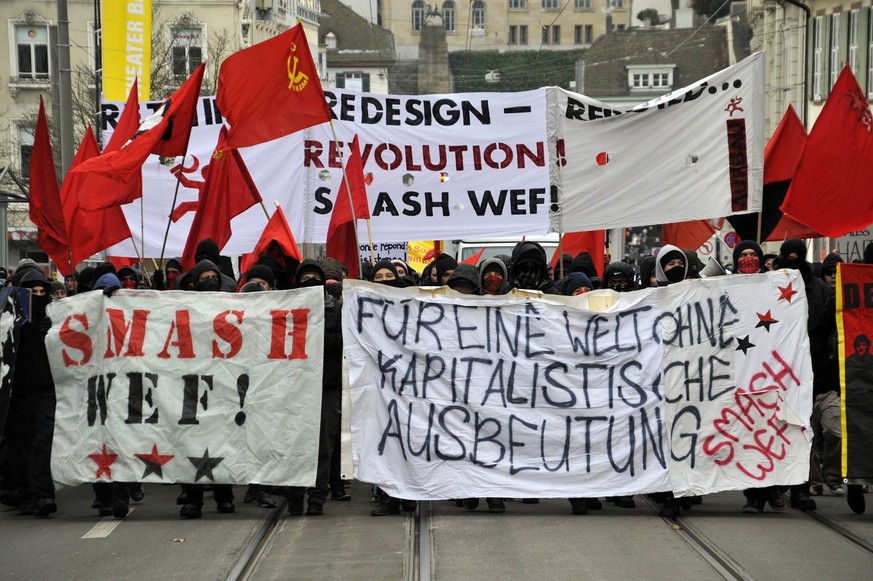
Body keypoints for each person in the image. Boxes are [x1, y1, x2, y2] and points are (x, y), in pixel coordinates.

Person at [775, 239, 833, 510]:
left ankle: (801, 487)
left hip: (809, 372)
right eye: (788, 257)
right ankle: (774, 485)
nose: (792, 260)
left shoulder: (819, 289)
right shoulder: (770, 285)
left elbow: (824, 328)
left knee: (802, 429)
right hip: (775, 371)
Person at [731, 241, 787, 514]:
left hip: (770, 370)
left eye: (753, 254)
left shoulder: (773, 286)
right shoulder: (727, 288)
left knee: (772, 431)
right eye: (743, 255)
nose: (749, 258)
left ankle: (774, 487)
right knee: (747, 435)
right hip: (741, 373)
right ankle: (754, 495)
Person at [286, 260, 344, 517]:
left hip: (326, 386)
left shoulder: (334, 310)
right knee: (294, 444)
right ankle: (295, 496)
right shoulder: (285, 308)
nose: (310, 280)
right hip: (293, 388)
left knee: (322, 445)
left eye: (314, 277)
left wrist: (317, 338)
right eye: (305, 277)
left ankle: (317, 497)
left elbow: (343, 342)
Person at [179, 260, 236, 519]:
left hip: (221, 383)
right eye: (205, 277)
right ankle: (193, 499)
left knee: (220, 441)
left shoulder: (230, 307)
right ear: (195, 282)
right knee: (192, 443)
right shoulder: (184, 307)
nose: (210, 280)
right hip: (191, 386)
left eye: (214, 276)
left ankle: (225, 496)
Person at [6, 269, 57, 517]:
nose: (38, 296)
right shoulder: (8, 322)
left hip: (46, 391)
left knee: (42, 443)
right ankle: (25, 494)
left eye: (42, 292)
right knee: (20, 445)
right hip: (16, 393)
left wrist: (54, 332)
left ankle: (42, 494)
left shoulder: (54, 321)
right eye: (32, 292)